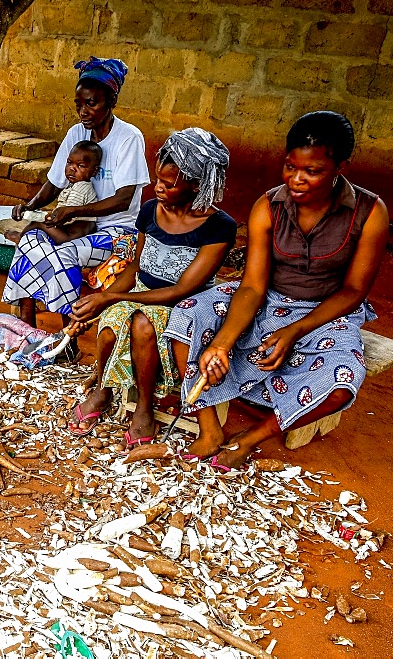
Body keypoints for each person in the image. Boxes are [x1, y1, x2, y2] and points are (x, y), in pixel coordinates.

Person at [165, 112, 388, 469]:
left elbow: (353, 291)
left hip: (328, 311)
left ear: (340, 168)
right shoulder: (268, 206)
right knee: (187, 314)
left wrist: (295, 330)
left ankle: (249, 439)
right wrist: (222, 343)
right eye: (289, 167)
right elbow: (253, 285)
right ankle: (209, 430)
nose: (296, 179)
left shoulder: (369, 212)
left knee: (343, 382)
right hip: (268, 298)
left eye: (312, 171)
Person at [67, 128, 236, 445]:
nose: (158, 187)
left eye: (169, 184)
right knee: (111, 323)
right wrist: (105, 300)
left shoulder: (219, 227)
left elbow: (181, 290)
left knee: (143, 325)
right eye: (158, 179)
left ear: (198, 185)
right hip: (139, 293)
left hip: (183, 309)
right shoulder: (150, 211)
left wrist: (108, 296)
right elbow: (135, 268)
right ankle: (103, 389)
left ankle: (144, 407)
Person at [3, 56, 150, 361]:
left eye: (92, 103)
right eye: (79, 103)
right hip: (77, 226)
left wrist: (70, 212)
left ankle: (67, 335)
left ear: (112, 100)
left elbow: (124, 199)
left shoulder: (128, 138)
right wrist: (30, 204)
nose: (83, 111)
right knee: (29, 240)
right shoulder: (76, 133)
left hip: (118, 231)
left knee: (62, 252)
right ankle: (28, 328)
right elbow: (55, 182)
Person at [4, 140, 100, 243]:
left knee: (37, 223)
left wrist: (45, 217)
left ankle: (20, 236)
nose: (72, 168)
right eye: (69, 162)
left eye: (81, 166)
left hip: (69, 237)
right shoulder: (73, 184)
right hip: (69, 231)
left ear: (94, 171)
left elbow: (67, 215)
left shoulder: (81, 188)